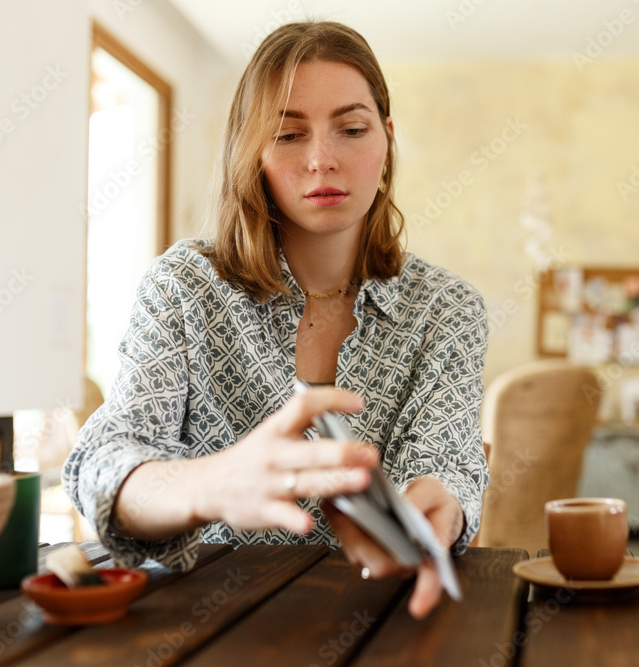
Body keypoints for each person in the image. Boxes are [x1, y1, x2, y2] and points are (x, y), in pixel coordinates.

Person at [62, 20, 489, 619]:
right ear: (253, 151)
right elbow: (103, 464)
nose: (322, 160)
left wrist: (439, 503)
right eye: (288, 134)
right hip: (205, 624)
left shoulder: (448, 311)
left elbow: (448, 463)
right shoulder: (184, 287)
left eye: (352, 129)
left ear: (387, 141)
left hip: (383, 620)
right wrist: (210, 484)